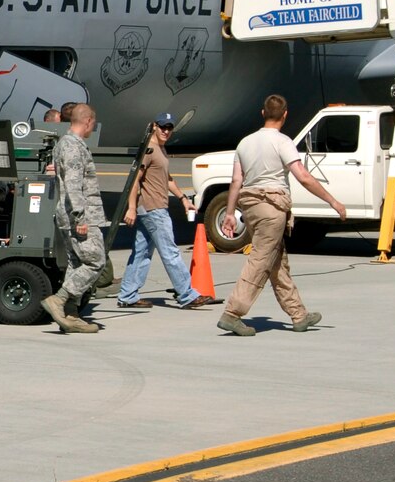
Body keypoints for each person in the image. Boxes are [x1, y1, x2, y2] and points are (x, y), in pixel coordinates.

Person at [218, 95, 348, 336]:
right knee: (260, 260)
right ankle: (232, 314)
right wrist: (333, 201)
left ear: (262, 113)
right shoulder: (283, 141)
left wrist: (229, 213)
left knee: (276, 262)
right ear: (285, 115)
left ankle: (299, 315)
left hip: (251, 207)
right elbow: (303, 176)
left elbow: (237, 180)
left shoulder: (245, 143)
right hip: (272, 209)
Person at [117, 113, 217, 311]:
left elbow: (167, 178)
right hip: (153, 209)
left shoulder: (161, 149)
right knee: (170, 252)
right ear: (154, 126)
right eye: (162, 126)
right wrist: (130, 208)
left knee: (142, 253)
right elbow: (135, 179)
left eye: (169, 128)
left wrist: (183, 199)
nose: (166, 131)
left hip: (152, 208)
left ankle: (127, 295)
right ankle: (187, 294)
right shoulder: (150, 148)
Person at [40, 103, 108, 334]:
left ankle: (70, 315)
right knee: (95, 261)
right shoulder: (72, 146)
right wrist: (80, 218)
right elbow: (73, 185)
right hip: (79, 215)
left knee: (77, 263)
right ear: (88, 121)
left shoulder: (68, 144)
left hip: (71, 215)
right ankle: (59, 300)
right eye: (93, 124)